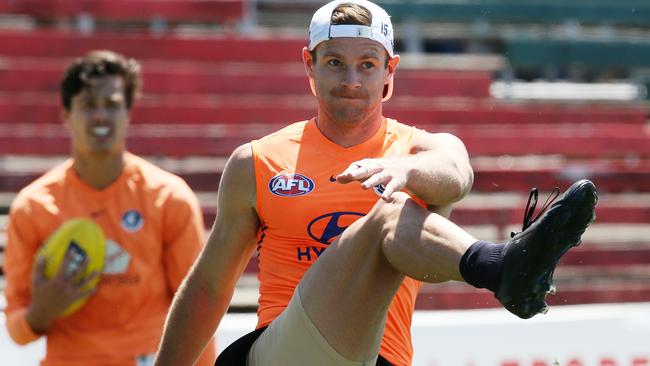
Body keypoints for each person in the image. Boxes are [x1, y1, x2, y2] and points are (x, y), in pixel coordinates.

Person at [153, 1, 598, 365]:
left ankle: (503, 269)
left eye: (367, 65)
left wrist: (405, 170)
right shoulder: (258, 160)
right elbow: (211, 285)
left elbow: (457, 173)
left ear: (390, 69)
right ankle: (500, 267)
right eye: (334, 63)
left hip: (379, 360)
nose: (351, 80)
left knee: (395, 211)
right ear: (309, 65)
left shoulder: (420, 148)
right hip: (286, 351)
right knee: (388, 217)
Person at [3, 50, 216, 366]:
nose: (100, 116)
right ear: (66, 114)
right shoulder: (33, 206)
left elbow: (196, 311)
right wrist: (40, 313)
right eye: (88, 106)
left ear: (128, 112)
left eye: (112, 105)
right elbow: (17, 331)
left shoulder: (168, 197)